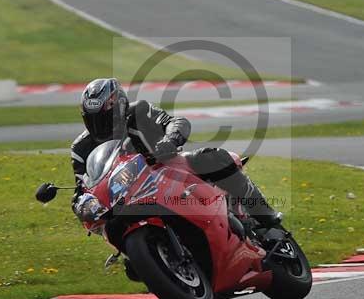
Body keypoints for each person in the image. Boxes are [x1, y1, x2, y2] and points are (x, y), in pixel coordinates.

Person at [70, 78, 282, 228]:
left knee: (213, 157)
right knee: (113, 228)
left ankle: (265, 215)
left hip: (167, 168)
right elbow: (84, 187)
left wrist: (170, 140)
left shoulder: (140, 112)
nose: (100, 124)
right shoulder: (80, 149)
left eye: (105, 116)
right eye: (93, 118)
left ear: (121, 106)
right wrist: (80, 203)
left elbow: (174, 122)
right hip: (127, 196)